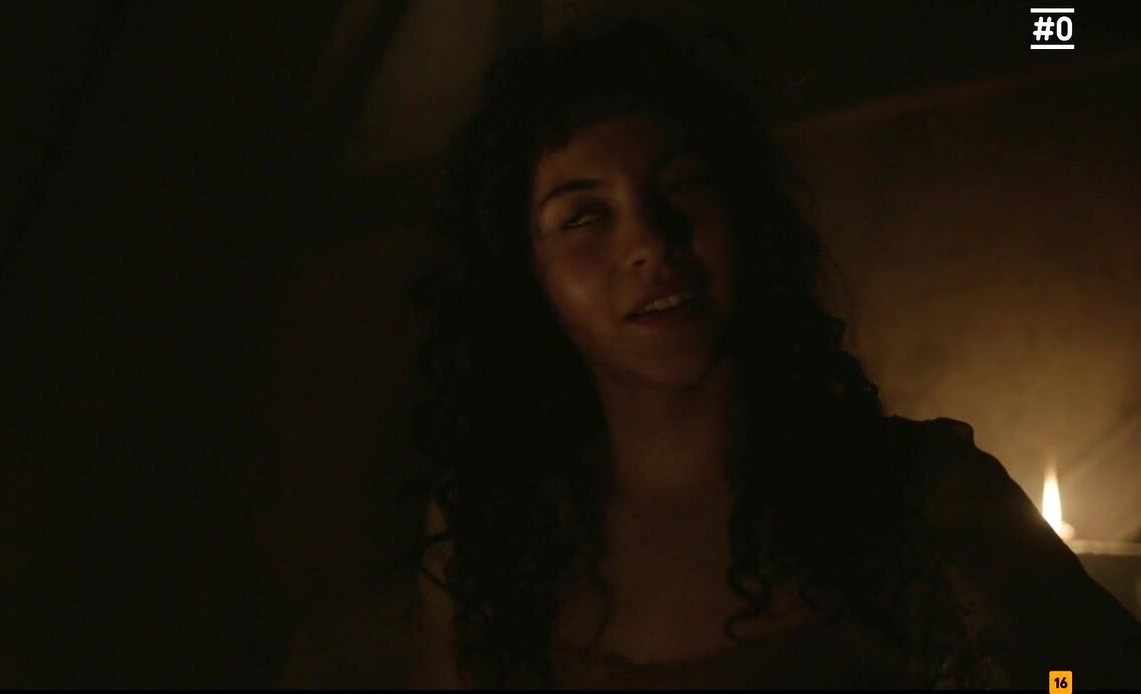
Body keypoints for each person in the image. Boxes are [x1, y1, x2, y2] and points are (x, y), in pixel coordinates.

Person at [403, 18, 1141, 690]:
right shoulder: (494, 536)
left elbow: (1086, 674)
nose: (650, 242)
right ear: (526, 275)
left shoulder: (921, 499)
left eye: (682, 184)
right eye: (584, 216)